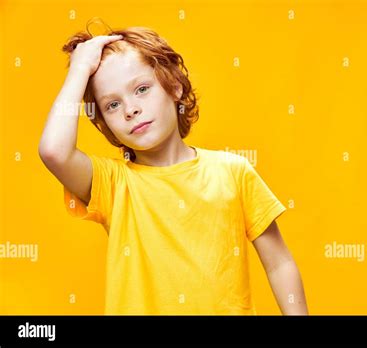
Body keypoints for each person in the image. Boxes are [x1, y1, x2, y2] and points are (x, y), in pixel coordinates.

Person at [38, 22, 308, 315]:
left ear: (174, 86)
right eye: (113, 105)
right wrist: (79, 70)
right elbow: (54, 151)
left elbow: (279, 263)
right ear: (105, 123)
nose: (130, 109)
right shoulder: (114, 184)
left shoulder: (233, 172)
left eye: (142, 89)